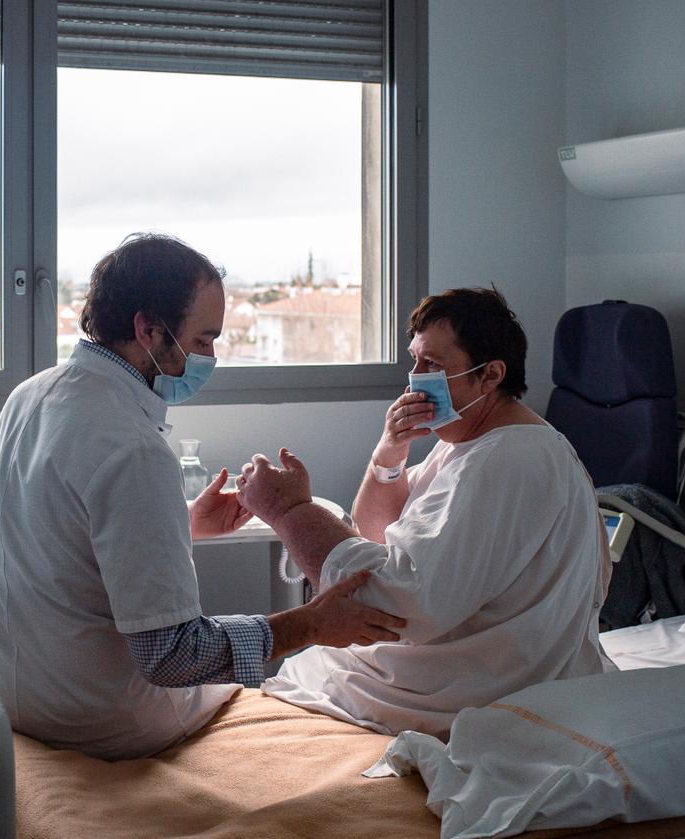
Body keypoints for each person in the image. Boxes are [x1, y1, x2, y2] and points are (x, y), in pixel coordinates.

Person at [0, 232, 404, 760]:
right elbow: (172, 657)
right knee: (294, 686)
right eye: (202, 341)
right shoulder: (132, 447)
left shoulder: (31, 395)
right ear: (148, 329)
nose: (210, 357)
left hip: (11, 691)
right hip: (95, 719)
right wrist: (312, 623)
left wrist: (181, 522)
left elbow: (61, 536)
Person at [237, 287, 613, 739]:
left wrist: (289, 510)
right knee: (312, 667)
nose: (415, 379)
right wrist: (389, 454)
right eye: (413, 362)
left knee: (311, 671)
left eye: (432, 365)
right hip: (473, 667)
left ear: (490, 375)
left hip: (480, 689)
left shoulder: (507, 458)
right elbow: (377, 531)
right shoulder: (467, 444)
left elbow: (392, 605)